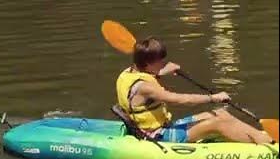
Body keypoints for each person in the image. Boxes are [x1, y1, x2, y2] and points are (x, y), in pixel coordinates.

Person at [116, 37, 271, 144]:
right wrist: (213, 98)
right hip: (157, 135)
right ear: (148, 64)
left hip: (165, 125)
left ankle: (262, 137)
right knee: (217, 123)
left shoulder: (128, 73)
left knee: (221, 113)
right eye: (160, 61)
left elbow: (145, 80)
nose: (163, 63)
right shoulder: (146, 87)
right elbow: (181, 100)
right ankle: (267, 144)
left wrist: (161, 72)